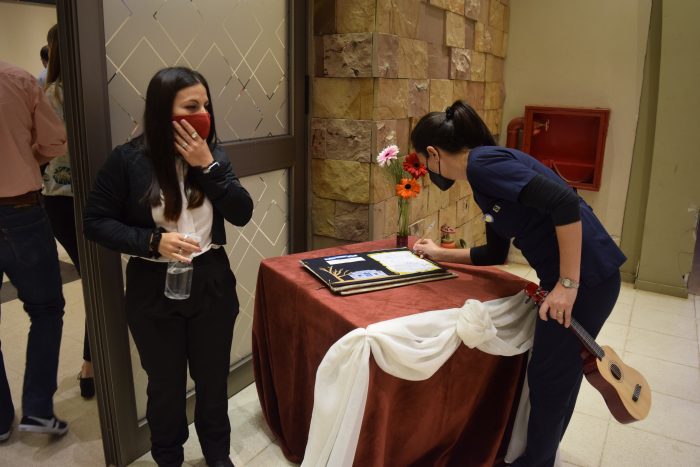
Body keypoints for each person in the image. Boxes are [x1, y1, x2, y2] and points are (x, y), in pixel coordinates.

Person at [411, 100, 626, 467]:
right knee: (560, 372)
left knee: (549, 376)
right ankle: (542, 455)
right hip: (584, 276)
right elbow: (495, 252)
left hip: (587, 278)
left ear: (433, 153)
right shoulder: (482, 179)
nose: (427, 169)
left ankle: (537, 461)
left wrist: (567, 285)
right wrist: (440, 254)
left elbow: (564, 202)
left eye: (422, 161)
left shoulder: (483, 165)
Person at [83, 67, 253, 467]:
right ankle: (168, 456)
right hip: (153, 286)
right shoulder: (128, 160)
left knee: (213, 381)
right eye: (191, 106)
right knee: (165, 387)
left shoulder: (214, 154)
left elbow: (242, 212)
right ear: (163, 111)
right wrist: (151, 241)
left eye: (206, 106)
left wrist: (207, 166)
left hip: (211, 280)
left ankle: (217, 454)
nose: (203, 115)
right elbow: (95, 221)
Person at [0, 60, 70, 441]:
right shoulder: (18, 80)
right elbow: (55, 141)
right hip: (20, 210)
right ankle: (38, 409)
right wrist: (26, 158)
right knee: (46, 309)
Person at [42, 23, 95, 399]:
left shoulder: (48, 95)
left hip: (58, 201)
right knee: (99, 282)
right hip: (88, 198)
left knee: (95, 282)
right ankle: (92, 364)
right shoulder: (90, 92)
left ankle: (92, 364)